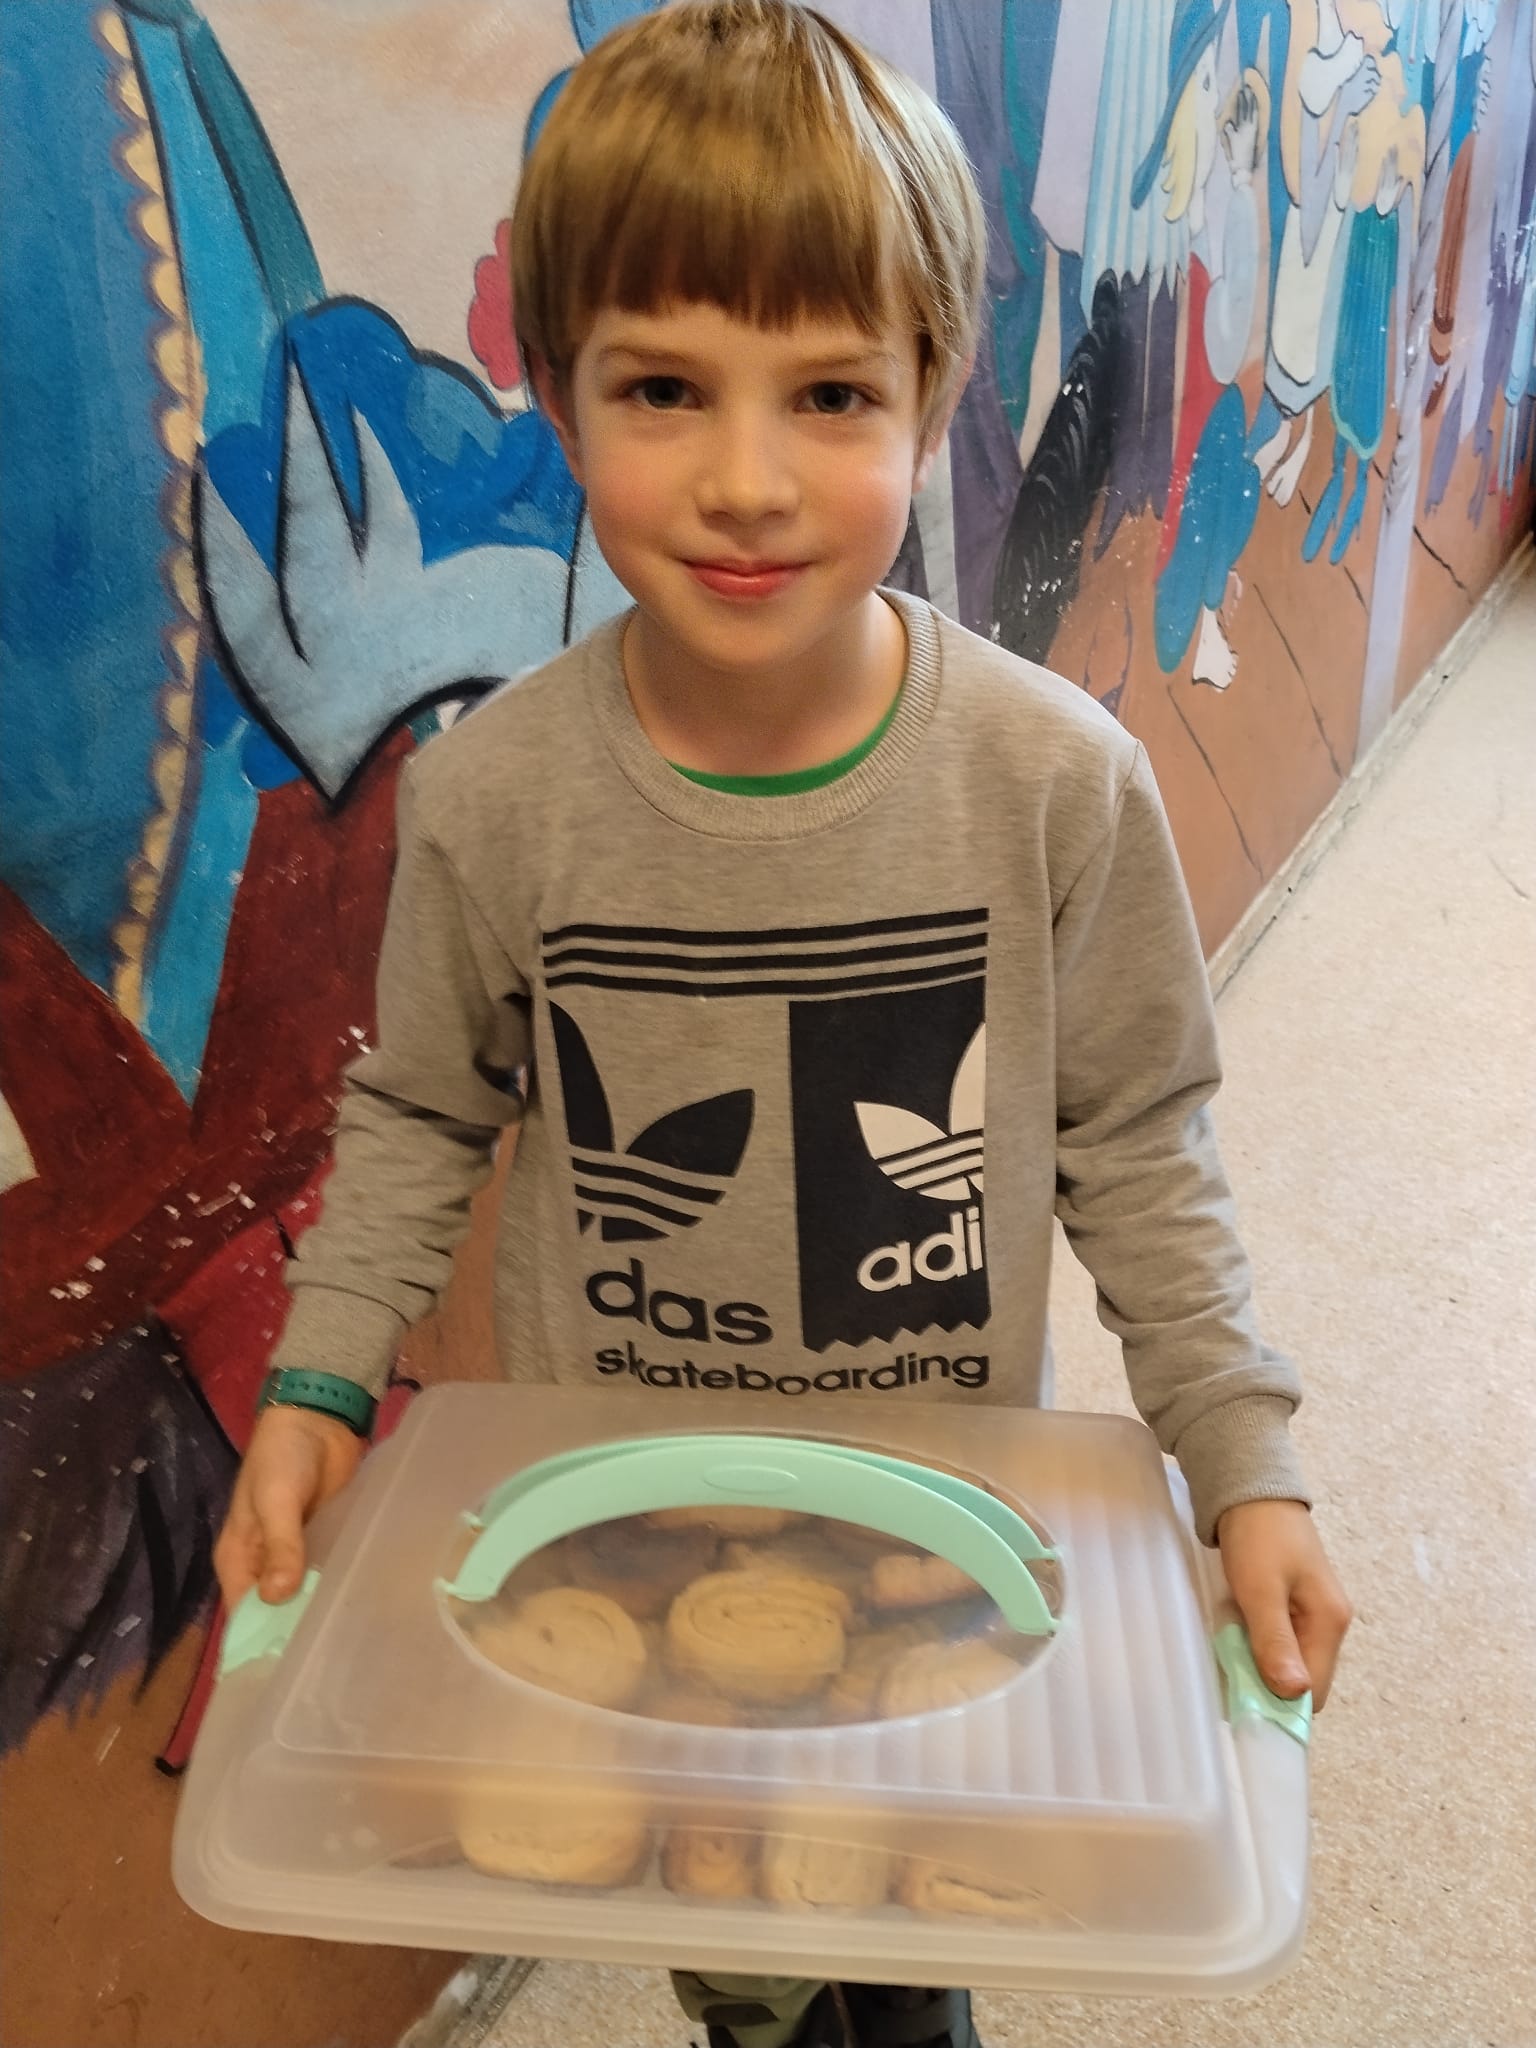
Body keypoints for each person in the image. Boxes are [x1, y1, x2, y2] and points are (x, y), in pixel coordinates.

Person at [213, 6, 1354, 2045]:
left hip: (941, 1513)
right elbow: (422, 1116)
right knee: (727, 1926)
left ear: (934, 395)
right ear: (563, 399)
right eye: (664, 388)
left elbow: (1137, 1144)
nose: (745, 483)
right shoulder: (493, 803)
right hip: (623, 1515)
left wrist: (1243, 1464)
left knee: (905, 1926)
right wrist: (319, 1382)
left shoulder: (1056, 787)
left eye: (830, 394)